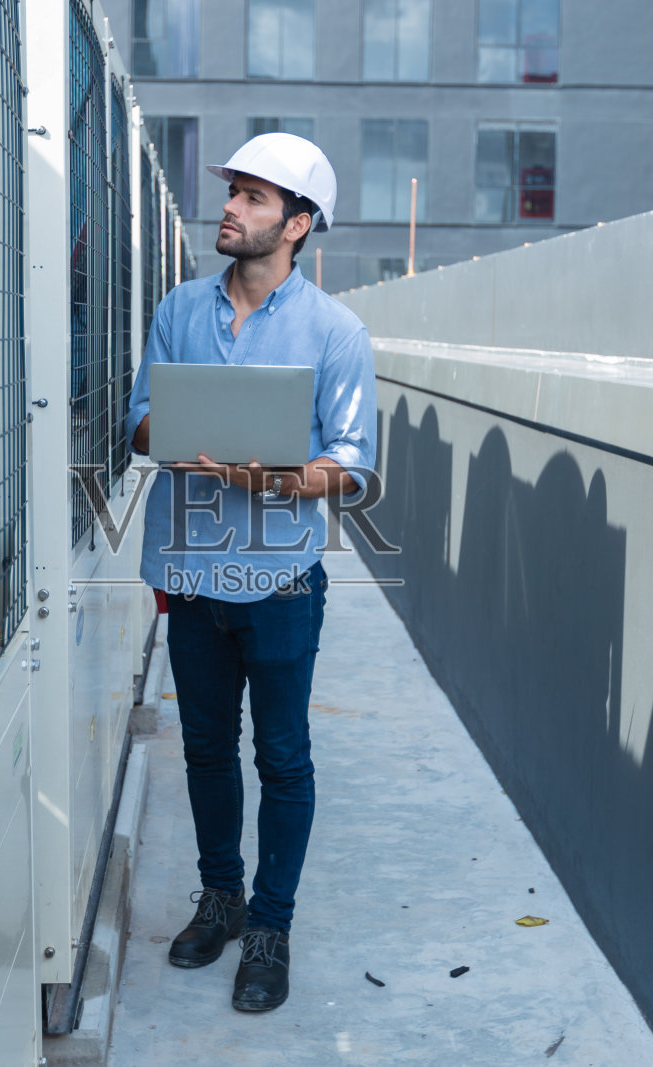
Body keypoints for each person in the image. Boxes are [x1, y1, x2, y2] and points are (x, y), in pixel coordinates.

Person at [124, 133, 377, 1012]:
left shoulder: (336, 333)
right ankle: (221, 898)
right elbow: (139, 424)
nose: (229, 206)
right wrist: (196, 432)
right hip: (191, 573)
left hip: (279, 580)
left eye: (254, 197)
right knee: (203, 749)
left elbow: (350, 464)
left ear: (298, 224)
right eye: (232, 190)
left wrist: (270, 475)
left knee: (282, 756)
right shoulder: (181, 309)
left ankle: (270, 924)